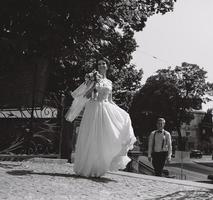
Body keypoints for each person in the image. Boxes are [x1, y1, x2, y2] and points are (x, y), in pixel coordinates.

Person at [65, 57, 136, 177]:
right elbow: (87, 95)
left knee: (102, 138)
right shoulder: (92, 78)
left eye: (103, 63)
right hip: (93, 108)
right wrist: (93, 84)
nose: (101, 65)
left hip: (105, 109)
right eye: (99, 64)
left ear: (107, 66)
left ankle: (98, 167)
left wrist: (121, 112)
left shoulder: (110, 82)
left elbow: (110, 100)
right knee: (91, 137)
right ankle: (86, 167)